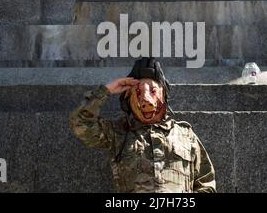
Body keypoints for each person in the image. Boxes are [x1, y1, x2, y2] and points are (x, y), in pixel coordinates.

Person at [70, 58, 216, 193]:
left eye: (153, 91)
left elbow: (206, 183)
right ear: (128, 100)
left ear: (164, 94)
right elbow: (81, 122)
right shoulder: (117, 132)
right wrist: (106, 91)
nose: (145, 100)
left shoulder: (186, 135)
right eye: (138, 93)